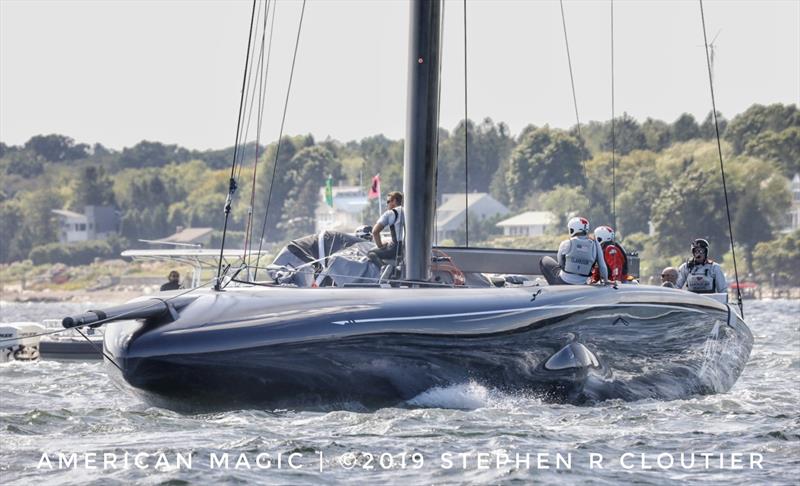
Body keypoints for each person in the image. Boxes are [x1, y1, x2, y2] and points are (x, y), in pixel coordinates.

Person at [540, 216, 608, 285]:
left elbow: (560, 263)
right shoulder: (595, 245)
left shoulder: (566, 243)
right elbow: (602, 267)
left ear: (572, 230)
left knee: (544, 260)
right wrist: (606, 281)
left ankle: (554, 288)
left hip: (562, 281)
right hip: (582, 283)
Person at [368, 191, 404, 268]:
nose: (387, 204)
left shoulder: (390, 213)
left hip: (396, 248)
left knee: (371, 253)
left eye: (388, 201)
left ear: (394, 200)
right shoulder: (409, 211)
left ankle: (384, 269)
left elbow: (375, 231)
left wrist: (380, 245)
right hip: (408, 247)